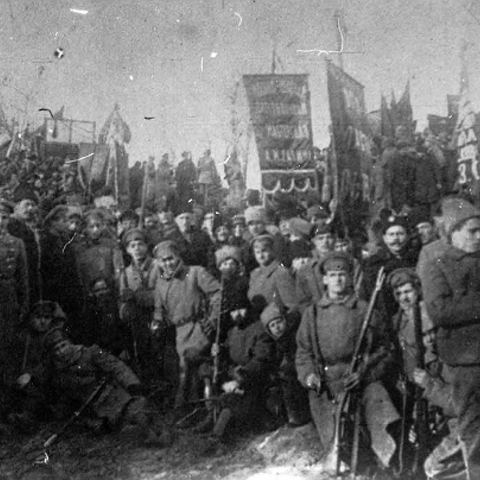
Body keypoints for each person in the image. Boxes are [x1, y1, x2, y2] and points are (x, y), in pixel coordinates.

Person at [296, 252, 400, 474]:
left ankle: (386, 458)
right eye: (332, 275)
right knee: (327, 415)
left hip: (361, 376)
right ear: (324, 280)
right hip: (327, 381)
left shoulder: (364, 309)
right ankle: (342, 459)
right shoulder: (312, 314)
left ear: (350, 278)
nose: (338, 280)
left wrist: (365, 374)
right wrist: (309, 376)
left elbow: (385, 350)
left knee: (377, 398)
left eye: (342, 274)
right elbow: (303, 353)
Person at [17, 329, 172, 447]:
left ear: (70, 342)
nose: (61, 351)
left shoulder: (90, 352)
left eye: (63, 345)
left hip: (113, 396)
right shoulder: (54, 367)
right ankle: (143, 434)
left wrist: (132, 384)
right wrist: (28, 377)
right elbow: (39, 374)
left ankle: (156, 433)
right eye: (56, 350)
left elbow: (116, 366)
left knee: (137, 412)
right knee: (118, 430)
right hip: (92, 410)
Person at [423, 198, 480, 478]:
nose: (479, 236)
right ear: (452, 232)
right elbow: (440, 311)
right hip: (466, 359)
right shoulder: (435, 260)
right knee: (473, 428)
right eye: (472, 231)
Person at [151, 240, 221, 411]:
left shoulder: (195, 272)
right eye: (163, 260)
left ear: (178, 257)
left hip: (199, 327)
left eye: (170, 258)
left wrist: (212, 318)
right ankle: (194, 407)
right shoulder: (160, 283)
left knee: (190, 362)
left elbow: (217, 293)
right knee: (182, 367)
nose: (167, 263)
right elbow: (159, 310)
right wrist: (156, 323)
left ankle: (191, 407)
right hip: (179, 333)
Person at [118, 229, 161, 386]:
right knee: (143, 358)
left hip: (159, 318)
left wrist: (138, 296)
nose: (137, 248)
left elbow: (165, 294)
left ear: (147, 246)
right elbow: (122, 308)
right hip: (138, 324)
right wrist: (126, 306)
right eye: (132, 245)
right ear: (127, 250)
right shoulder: (125, 273)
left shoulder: (158, 266)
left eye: (140, 244)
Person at [260, 303, 310, 427]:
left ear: (285, 320)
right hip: (285, 380)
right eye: (272, 325)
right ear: (269, 330)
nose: (277, 327)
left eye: (279, 322)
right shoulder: (274, 345)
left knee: (287, 376)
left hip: (300, 372)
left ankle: (299, 415)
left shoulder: (294, 336)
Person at [0, 198, 29, 384]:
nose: (0, 221)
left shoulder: (17, 243)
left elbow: (23, 278)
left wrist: (24, 304)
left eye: (3, 217)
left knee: (8, 345)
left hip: (8, 298)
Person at [247, 234, 298, 322]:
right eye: (257, 252)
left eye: (264, 251)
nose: (261, 256)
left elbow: (292, 306)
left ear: (272, 250)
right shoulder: (254, 275)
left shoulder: (281, 273)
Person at [295, 223, 336, 313]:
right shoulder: (305, 270)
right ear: (314, 241)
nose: (325, 242)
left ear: (334, 239)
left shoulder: (349, 264)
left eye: (328, 237)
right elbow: (303, 302)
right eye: (320, 238)